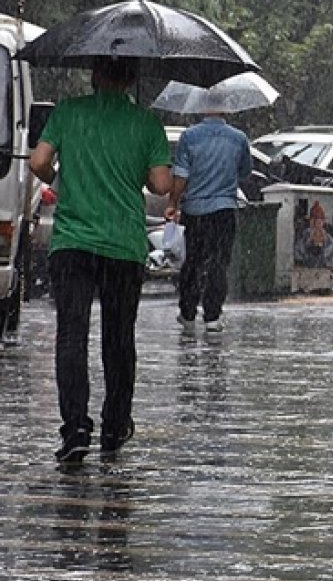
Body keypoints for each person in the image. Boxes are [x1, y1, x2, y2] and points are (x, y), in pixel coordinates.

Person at [30, 56, 173, 463]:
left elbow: (39, 162)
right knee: (118, 338)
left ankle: (75, 428)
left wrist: (63, 178)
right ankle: (114, 425)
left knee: (72, 336)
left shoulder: (68, 112)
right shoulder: (146, 124)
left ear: (93, 75)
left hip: (73, 242)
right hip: (123, 246)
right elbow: (161, 184)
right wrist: (136, 170)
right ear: (130, 79)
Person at [165, 96, 252, 335]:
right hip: (224, 210)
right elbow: (245, 171)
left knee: (192, 262)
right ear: (226, 109)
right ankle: (213, 315)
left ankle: (188, 312)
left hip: (194, 212)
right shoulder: (238, 138)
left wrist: (173, 202)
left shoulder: (189, 137)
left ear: (202, 108)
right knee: (219, 263)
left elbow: (181, 175)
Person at [294, 201, 333, 269]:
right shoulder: (304, 237)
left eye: (319, 222)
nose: (316, 225)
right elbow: (298, 255)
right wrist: (309, 242)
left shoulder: (329, 240)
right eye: (313, 222)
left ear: (323, 222)